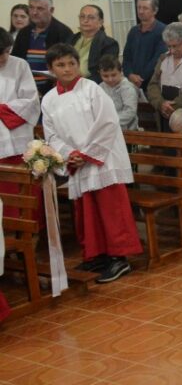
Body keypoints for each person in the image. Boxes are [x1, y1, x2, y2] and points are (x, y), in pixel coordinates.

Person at [41, 43, 143, 283]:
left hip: (102, 159)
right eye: (61, 65)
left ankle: (119, 257)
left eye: (71, 64)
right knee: (87, 211)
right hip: (77, 162)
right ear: (51, 69)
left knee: (110, 209)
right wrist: (68, 154)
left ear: (79, 65)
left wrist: (85, 154)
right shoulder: (49, 99)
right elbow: (51, 134)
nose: (67, 69)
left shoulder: (93, 90)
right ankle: (97, 254)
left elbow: (107, 123)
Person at [0, 29, 39, 196]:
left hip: (16, 137)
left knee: (19, 194)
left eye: (7, 52)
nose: (4, 58)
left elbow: (30, 101)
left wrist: (2, 110)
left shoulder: (20, 65)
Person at [15, 0, 73, 94]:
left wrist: (43, 91)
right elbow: (16, 61)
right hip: (25, 90)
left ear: (51, 10)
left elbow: (66, 66)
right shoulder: (24, 33)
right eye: (31, 7)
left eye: (40, 8)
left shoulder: (63, 32)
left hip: (54, 90)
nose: (34, 12)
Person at [122, 0, 166, 91]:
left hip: (153, 83)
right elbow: (126, 56)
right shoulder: (133, 31)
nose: (141, 11)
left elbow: (158, 58)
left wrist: (141, 77)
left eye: (145, 8)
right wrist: (129, 74)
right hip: (132, 82)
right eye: (139, 7)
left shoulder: (163, 31)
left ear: (155, 11)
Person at [71, 5, 120, 82]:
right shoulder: (72, 39)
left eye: (91, 17)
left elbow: (106, 73)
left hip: (90, 85)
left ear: (100, 22)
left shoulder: (109, 44)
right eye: (82, 16)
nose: (85, 20)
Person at [98, 56, 139, 131]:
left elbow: (130, 112)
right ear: (100, 74)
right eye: (105, 76)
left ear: (121, 72)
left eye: (113, 75)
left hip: (127, 131)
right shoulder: (99, 87)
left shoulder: (127, 88)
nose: (110, 79)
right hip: (104, 128)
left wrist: (109, 122)